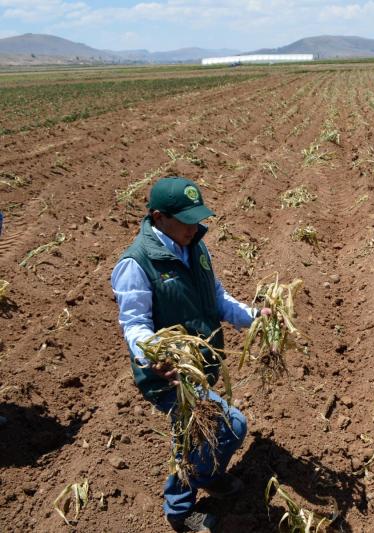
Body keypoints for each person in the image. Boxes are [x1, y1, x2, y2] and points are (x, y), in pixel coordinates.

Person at [111, 176, 268, 532]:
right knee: (220, 428)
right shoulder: (136, 264)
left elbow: (218, 298)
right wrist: (153, 356)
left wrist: (255, 317)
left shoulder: (195, 246)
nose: (194, 227)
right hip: (170, 376)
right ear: (158, 217)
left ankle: (209, 475)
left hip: (202, 367)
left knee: (215, 431)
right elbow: (134, 325)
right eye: (186, 220)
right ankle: (179, 512)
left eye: (197, 218)